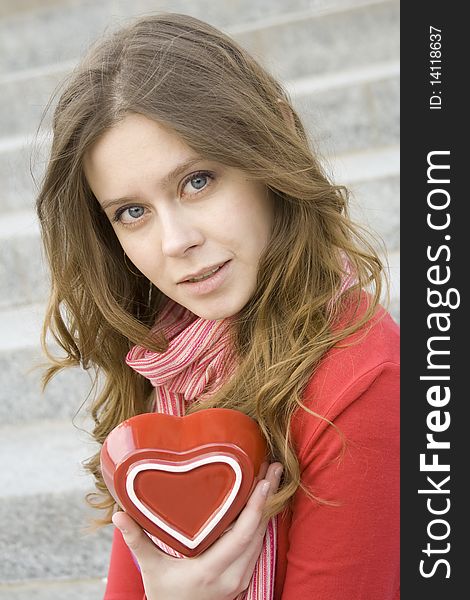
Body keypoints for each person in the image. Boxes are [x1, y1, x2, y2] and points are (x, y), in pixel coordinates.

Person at [36, 12, 399, 600]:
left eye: (197, 181)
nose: (175, 240)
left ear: (266, 148)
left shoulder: (360, 382)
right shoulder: (175, 364)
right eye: (132, 212)